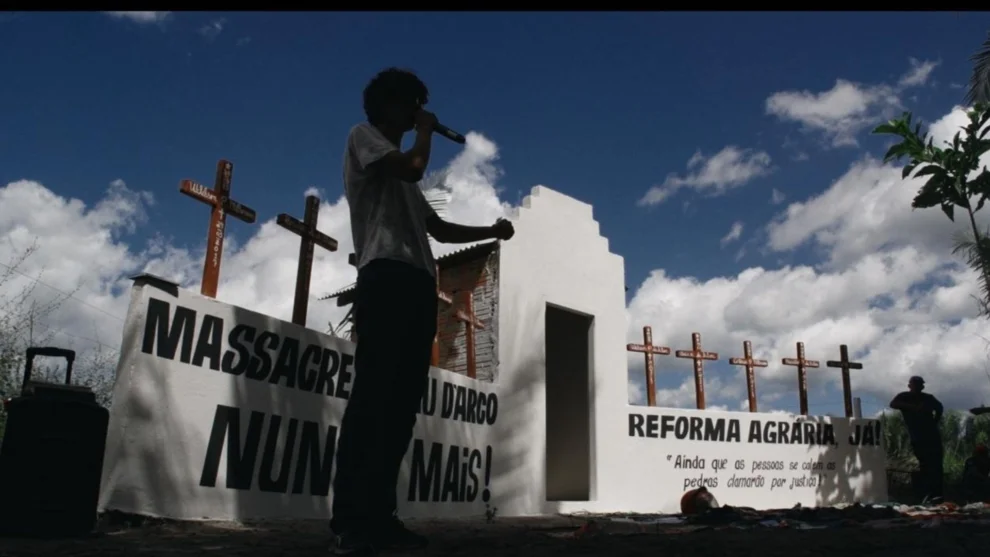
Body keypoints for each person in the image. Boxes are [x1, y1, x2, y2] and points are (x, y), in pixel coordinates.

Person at [330, 67, 515, 556]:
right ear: (389, 106)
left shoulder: (406, 182)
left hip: (415, 282)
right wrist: (428, 133)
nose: (418, 114)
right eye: (412, 105)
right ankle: (351, 522)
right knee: (373, 399)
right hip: (385, 276)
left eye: (420, 107)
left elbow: (441, 231)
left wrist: (491, 231)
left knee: (400, 406)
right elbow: (413, 166)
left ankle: (381, 516)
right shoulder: (364, 138)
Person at [889, 376, 944, 503]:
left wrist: (934, 422)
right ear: (910, 386)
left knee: (935, 465)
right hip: (918, 436)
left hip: (931, 435)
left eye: (919, 384)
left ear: (922, 386)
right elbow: (893, 404)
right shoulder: (904, 396)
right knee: (924, 464)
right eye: (915, 384)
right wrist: (912, 407)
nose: (918, 387)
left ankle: (936, 494)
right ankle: (925, 494)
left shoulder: (928, 398)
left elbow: (939, 408)